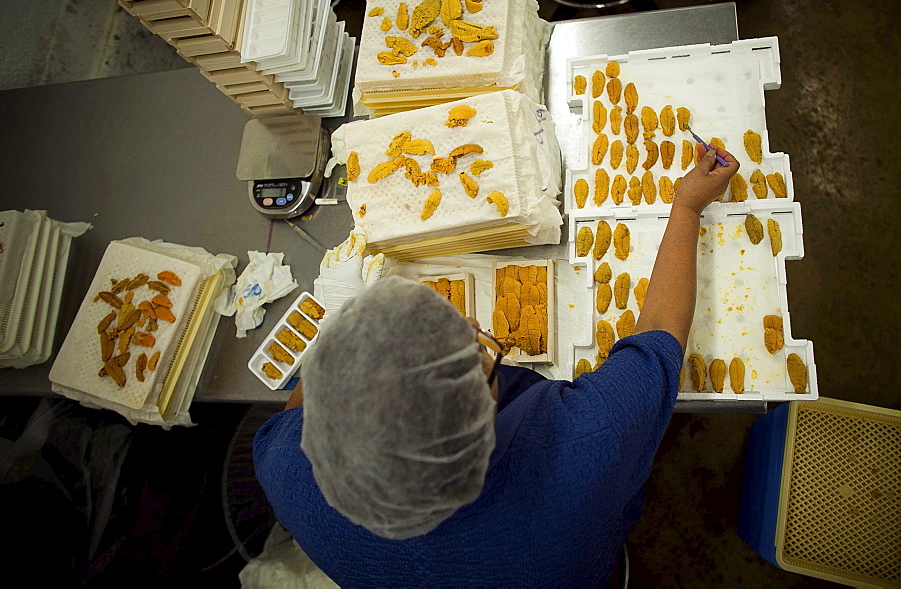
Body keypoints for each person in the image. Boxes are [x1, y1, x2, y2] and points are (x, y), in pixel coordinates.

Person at [254, 145, 740, 586]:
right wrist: (687, 206)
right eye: (479, 353)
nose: (470, 320)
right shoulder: (587, 446)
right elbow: (660, 336)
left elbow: (305, 398)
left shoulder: (283, 469)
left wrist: (338, 317)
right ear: (487, 410)